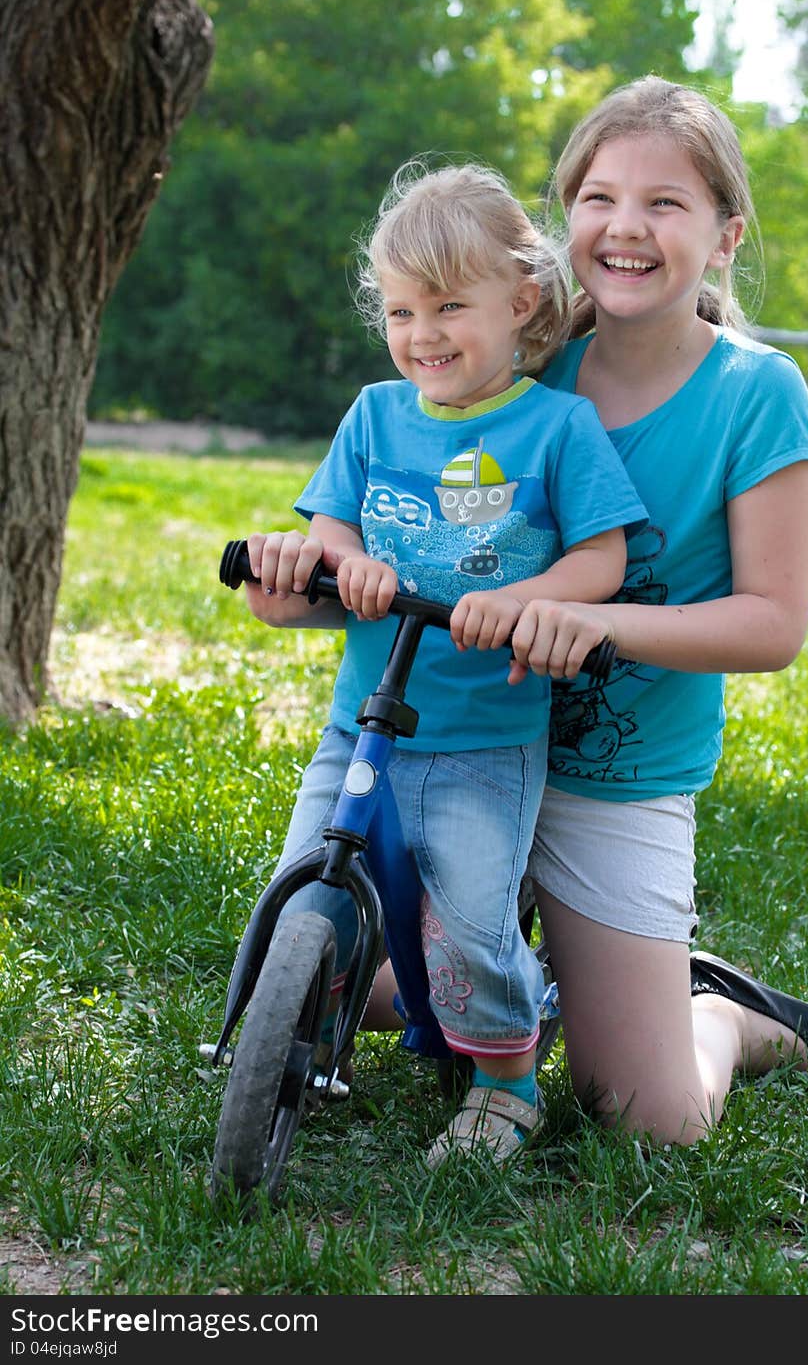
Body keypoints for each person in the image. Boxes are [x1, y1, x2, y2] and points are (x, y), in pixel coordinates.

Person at [241, 159, 648, 1166]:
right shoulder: (374, 418)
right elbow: (330, 534)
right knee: (308, 886)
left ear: (520, 302)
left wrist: (517, 603)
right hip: (363, 721)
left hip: (483, 741)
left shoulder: (557, 426)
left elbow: (603, 556)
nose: (423, 332)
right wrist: (341, 564)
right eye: (401, 309)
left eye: (450, 306)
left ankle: (507, 1080)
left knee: (468, 917)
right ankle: (287, 1022)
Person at [498, 74, 808, 1146]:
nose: (624, 227)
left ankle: (720, 1014)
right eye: (599, 196)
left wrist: (602, 623)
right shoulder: (525, 371)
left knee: (651, 1121)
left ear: (724, 233)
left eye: (665, 202)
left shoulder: (756, 392)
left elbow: (771, 624)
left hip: (619, 778)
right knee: (349, 987)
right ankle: (560, 981)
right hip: (476, 751)